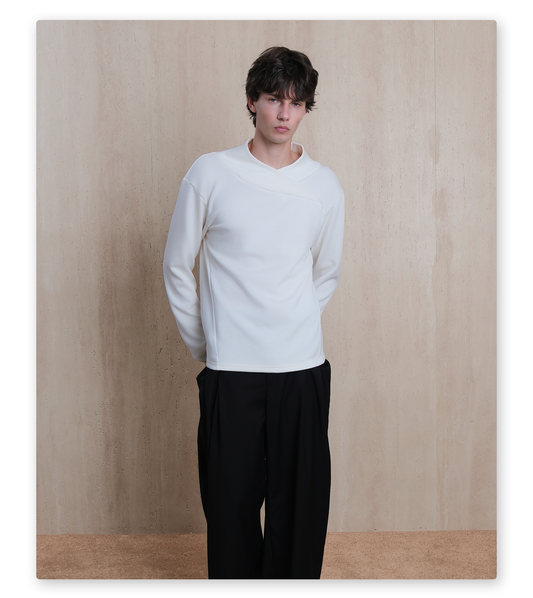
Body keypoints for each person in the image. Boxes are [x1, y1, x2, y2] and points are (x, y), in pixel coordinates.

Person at [163, 46, 345, 579]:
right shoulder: (210, 173)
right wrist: (208, 342)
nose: (285, 114)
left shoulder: (324, 186)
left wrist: (292, 323)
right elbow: (176, 266)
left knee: (301, 511)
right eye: (273, 99)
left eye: (296, 103)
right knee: (230, 510)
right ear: (252, 101)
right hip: (232, 371)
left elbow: (326, 272)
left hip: (301, 369)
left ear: (306, 108)